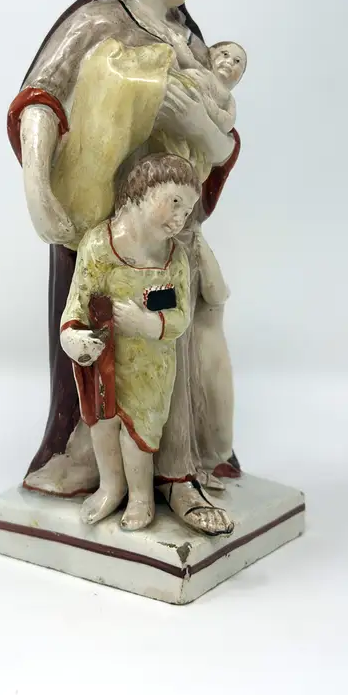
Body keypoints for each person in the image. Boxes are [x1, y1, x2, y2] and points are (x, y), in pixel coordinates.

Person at [8, 0, 242, 536]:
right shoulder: (97, 23)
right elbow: (42, 99)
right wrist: (38, 187)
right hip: (110, 230)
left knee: (171, 329)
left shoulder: (191, 42)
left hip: (172, 233)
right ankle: (107, 469)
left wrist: (198, 128)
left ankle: (179, 469)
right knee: (106, 333)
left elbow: (222, 142)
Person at [59, 154, 199, 532]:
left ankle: (141, 497)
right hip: (104, 357)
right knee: (104, 426)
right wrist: (72, 336)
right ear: (144, 191)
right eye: (174, 202)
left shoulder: (175, 258)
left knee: (139, 434)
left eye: (187, 211)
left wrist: (148, 323)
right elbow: (77, 302)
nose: (180, 217)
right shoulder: (99, 245)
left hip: (151, 365)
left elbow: (181, 315)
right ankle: (111, 487)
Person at [174, 40, 247, 135]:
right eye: (225, 54)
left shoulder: (229, 99)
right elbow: (188, 60)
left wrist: (207, 102)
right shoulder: (204, 71)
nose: (229, 62)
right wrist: (178, 43)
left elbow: (227, 123)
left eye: (237, 61)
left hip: (193, 122)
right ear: (211, 53)